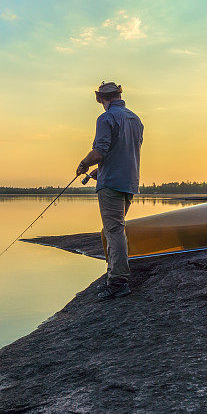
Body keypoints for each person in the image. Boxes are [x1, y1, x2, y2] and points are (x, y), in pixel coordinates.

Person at [76, 82, 144, 300]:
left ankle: (118, 281)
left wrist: (85, 164)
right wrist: (99, 171)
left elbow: (100, 152)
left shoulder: (105, 118)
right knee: (115, 229)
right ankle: (114, 273)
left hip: (112, 184)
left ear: (100, 99)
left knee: (113, 230)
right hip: (129, 182)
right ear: (119, 95)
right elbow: (123, 151)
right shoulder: (135, 119)